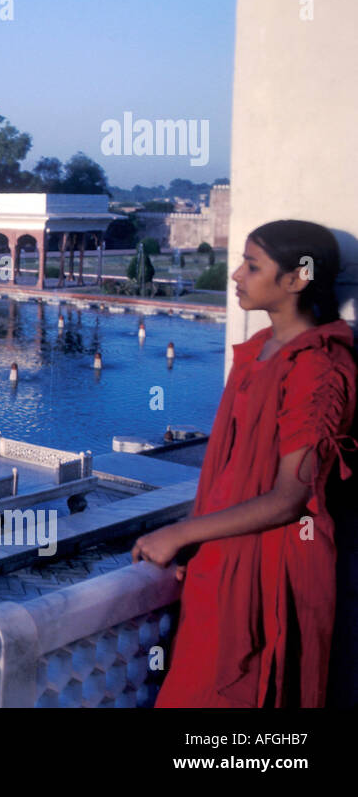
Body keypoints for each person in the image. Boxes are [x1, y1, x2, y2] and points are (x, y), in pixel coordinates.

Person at [133, 220, 357, 707]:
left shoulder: (317, 366)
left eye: (252, 266)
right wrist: (196, 537)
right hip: (222, 556)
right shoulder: (259, 351)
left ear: (297, 278)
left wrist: (179, 534)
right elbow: (230, 468)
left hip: (270, 566)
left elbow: (289, 499)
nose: (235, 274)